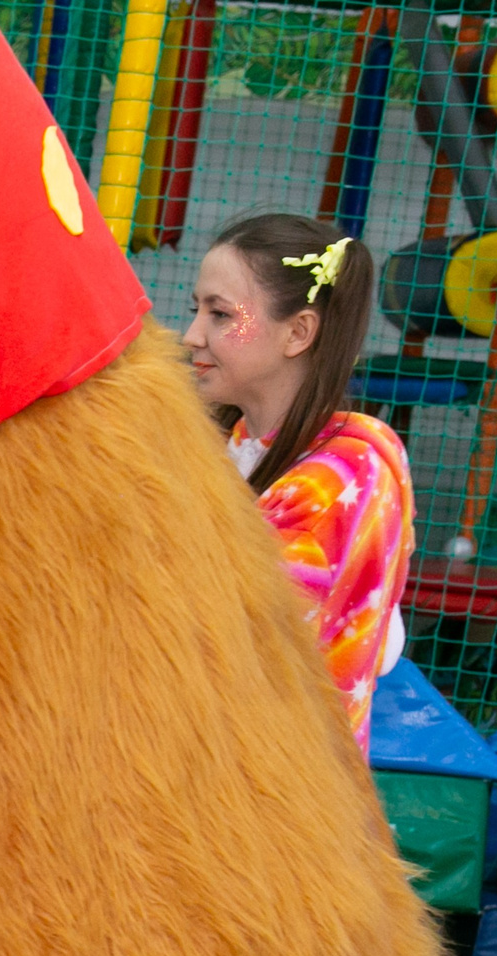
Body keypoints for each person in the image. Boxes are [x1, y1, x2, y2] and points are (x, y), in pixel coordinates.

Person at [184, 213, 415, 749]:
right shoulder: (232, 442)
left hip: (271, 786)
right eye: (195, 309)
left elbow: (230, 641)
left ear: (298, 332)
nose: (193, 334)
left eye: (220, 314)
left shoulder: (343, 474)